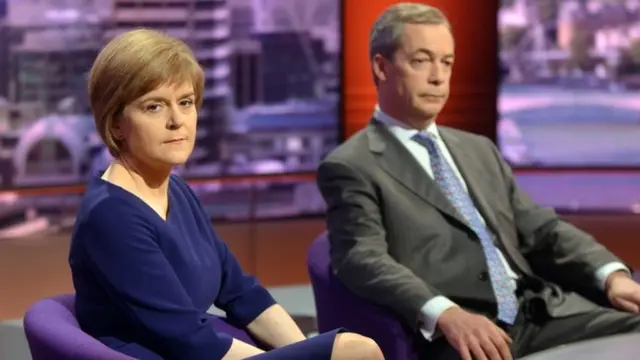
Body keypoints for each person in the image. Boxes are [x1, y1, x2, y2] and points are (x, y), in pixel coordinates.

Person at [317, 3, 640, 360]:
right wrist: (447, 314)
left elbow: (541, 229)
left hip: (540, 312)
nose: (439, 77)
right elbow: (361, 257)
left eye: (447, 62)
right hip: (464, 330)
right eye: (421, 61)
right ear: (381, 67)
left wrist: (611, 276)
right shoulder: (351, 165)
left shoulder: (478, 149)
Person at [68, 28, 384, 360]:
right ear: (116, 123)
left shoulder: (177, 190)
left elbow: (239, 291)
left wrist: (302, 349)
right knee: (356, 351)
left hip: (202, 350)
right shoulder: (111, 217)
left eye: (186, 103)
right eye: (154, 107)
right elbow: (189, 339)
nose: (177, 120)